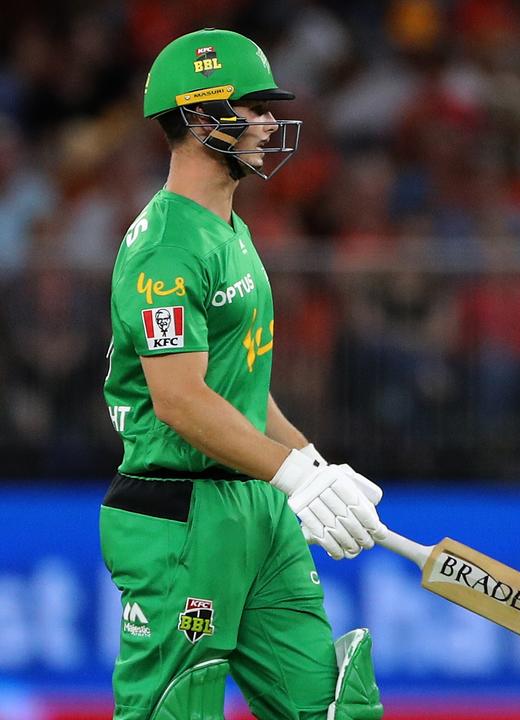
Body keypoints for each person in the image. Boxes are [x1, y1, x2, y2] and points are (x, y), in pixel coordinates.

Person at [102, 29, 385, 719]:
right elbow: (179, 401)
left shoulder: (229, 228)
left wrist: (314, 464)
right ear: (202, 115)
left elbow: (240, 392)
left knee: (332, 705)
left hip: (259, 513)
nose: (268, 123)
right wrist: (293, 477)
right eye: (252, 107)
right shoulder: (167, 249)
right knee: (178, 706)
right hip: (185, 521)